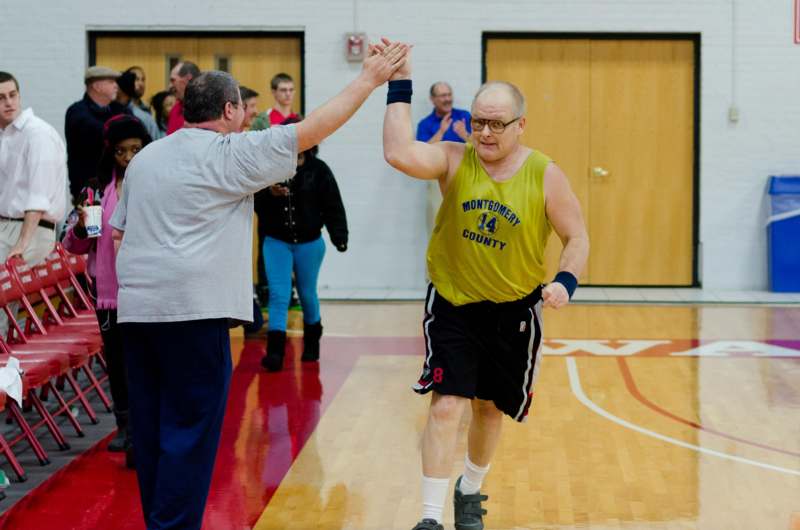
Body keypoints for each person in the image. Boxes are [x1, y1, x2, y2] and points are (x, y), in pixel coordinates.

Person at [110, 40, 408, 530]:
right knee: (189, 432)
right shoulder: (232, 152)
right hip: (192, 315)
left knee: (153, 429)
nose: (248, 118)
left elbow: (120, 233)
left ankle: (160, 522)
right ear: (229, 110)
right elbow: (312, 129)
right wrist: (370, 79)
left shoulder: (147, 158)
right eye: (243, 111)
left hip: (138, 314)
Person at [379, 40, 590, 530]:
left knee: (490, 409)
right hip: (453, 302)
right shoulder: (453, 159)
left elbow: (576, 234)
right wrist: (399, 81)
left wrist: (565, 280)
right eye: (478, 121)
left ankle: (469, 490)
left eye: (497, 123)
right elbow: (397, 152)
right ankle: (430, 517)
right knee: (447, 403)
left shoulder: (544, 175)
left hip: (514, 310)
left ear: (521, 125)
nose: (485, 132)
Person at [63, 115, 151, 461]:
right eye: (121, 151)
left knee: (143, 362)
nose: (128, 158)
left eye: (135, 150)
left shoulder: (157, 183)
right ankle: (126, 427)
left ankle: (144, 428)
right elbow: (75, 244)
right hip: (110, 293)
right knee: (117, 361)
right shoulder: (97, 190)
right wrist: (83, 228)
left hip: (148, 288)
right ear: (110, 153)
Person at [255, 115, 348, 372]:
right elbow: (254, 204)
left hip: (309, 243)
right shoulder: (270, 169)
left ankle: (312, 344)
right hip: (276, 242)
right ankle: (275, 352)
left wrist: (339, 235)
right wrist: (268, 193)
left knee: (307, 294)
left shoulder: (319, 171)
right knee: (278, 295)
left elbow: (333, 206)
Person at [0, 71, 67, 336]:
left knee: (4, 295)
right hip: (8, 226)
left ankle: (5, 366)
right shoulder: (6, 135)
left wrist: (22, 243)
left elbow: (38, 196)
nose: (9, 102)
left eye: (13, 95)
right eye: (1, 97)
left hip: (32, 230)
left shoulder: (37, 134)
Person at [65, 66, 129, 200]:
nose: (116, 86)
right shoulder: (77, 113)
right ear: (97, 86)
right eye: (111, 82)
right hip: (89, 190)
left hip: (119, 188)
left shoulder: (120, 109)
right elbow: (102, 133)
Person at [117, 70, 162, 140]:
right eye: (137, 79)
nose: (141, 83)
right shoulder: (118, 109)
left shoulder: (147, 112)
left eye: (143, 80)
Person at [165, 61, 200, 135]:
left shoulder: (208, 111)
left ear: (188, 79)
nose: (170, 86)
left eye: (173, 80)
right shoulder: (175, 109)